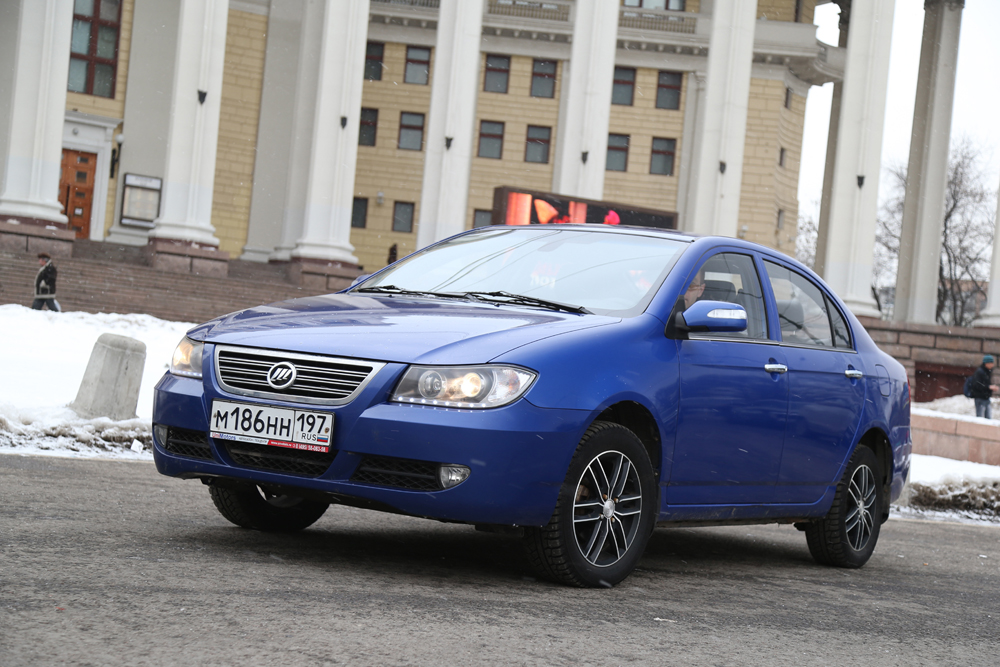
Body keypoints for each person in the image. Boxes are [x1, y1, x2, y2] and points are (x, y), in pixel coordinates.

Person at [968, 355, 998, 419]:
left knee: (988, 418)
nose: (992, 365)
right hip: (980, 398)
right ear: (986, 363)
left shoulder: (987, 371)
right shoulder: (980, 372)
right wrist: (989, 387)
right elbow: (977, 385)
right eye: (991, 363)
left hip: (986, 397)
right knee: (980, 418)